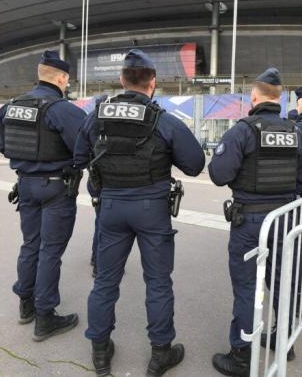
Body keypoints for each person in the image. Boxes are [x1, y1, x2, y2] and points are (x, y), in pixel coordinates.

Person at [74, 49, 205, 377]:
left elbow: (79, 157)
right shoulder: (163, 119)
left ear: (121, 80)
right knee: (158, 282)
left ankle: (100, 352)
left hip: (111, 207)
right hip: (151, 209)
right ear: (153, 83)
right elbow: (195, 164)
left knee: (105, 281)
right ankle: (161, 353)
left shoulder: (97, 115)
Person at [209, 67, 302, 376]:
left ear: (253, 97)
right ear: (280, 98)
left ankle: (241, 356)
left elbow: (218, 175)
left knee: (247, 286)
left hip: (250, 220)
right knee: (282, 280)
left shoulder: (243, 130)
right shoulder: (295, 132)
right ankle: (284, 341)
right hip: (284, 218)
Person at [0, 50, 87, 341]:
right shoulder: (63, 109)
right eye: (67, 79)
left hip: (24, 185)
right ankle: (45, 316)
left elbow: (4, 147)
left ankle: (26, 305)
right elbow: (84, 150)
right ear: (61, 78)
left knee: (30, 245)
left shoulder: (9, 107)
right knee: (50, 251)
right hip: (56, 187)